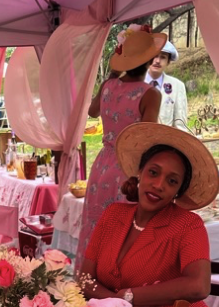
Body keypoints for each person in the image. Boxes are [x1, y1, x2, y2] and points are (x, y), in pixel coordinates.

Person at [80, 122, 219, 307]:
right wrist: (119, 303)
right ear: (140, 173)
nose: (159, 185)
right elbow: (85, 277)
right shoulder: (113, 215)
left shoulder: (188, 225)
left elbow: (199, 285)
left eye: (172, 181)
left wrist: (130, 296)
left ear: (178, 192)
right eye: (153, 172)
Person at [76, 26, 164, 269]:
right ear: (149, 60)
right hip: (129, 165)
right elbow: (147, 137)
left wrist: (112, 76)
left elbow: (93, 111)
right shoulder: (149, 94)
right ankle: (115, 278)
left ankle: (90, 277)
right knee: (124, 225)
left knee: (97, 222)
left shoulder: (108, 86)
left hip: (102, 163)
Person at [145, 41, 188, 132]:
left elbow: (180, 125)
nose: (157, 61)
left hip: (165, 143)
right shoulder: (137, 84)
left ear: (168, 62)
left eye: (163, 57)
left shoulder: (177, 86)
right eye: (155, 55)